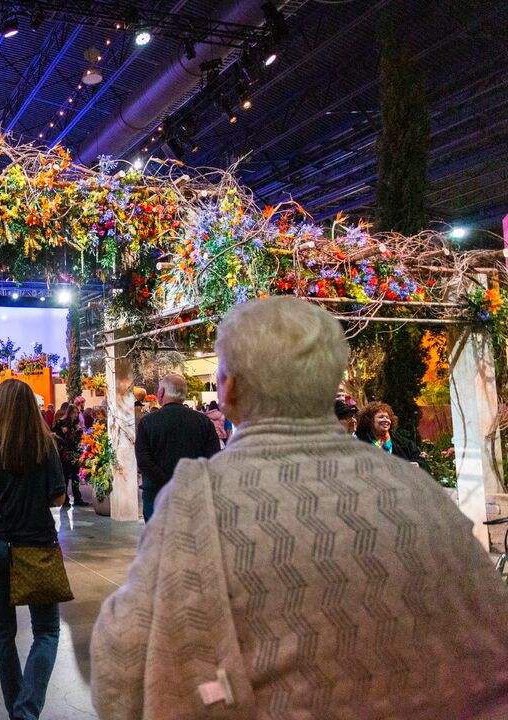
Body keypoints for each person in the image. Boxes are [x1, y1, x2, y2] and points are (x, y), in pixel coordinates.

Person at [91, 296, 508, 719]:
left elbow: (123, 659)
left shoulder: (204, 504)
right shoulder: (418, 491)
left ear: (229, 387)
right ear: (329, 385)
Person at [0, 379, 67, 720]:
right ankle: (27, 709)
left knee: (2, 631)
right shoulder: (46, 444)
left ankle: (17, 709)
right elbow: (58, 496)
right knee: (47, 631)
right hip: (35, 544)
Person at [134, 374, 220, 521]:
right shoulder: (203, 421)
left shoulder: (148, 422)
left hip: (157, 495)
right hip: (193, 494)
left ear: (161, 393)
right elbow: (214, 458)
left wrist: (166, 481)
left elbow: (143, 459)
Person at [355, 400, 428, 468]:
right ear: (370, 421)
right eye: (381, 417)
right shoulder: (359, 441)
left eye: (387, 417)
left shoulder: (403, 443)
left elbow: (420, 460)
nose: (385, 420)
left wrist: (417, 464)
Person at [52, 403, 88, 507]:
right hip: (65, 453)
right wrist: (63, 432)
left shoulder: (76, 424)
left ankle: (78, 498)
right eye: (75, 412)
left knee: (76, 477)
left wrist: (79, 431)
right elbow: (55, 435)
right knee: (66, 477)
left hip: (75, 452)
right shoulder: (62, 423)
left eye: (78, 413)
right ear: (70, 412)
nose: (77, 415)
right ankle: (65, 499)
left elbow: (79, 438)